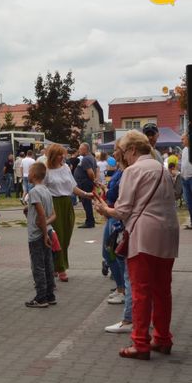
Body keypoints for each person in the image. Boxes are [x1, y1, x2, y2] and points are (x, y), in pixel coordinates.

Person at [94, 130, 179, 360]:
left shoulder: (133, 170)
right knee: (162, 291)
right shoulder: (161, 167)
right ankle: (162, 338)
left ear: (132, 150)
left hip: (143, 236)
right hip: (168, 234)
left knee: (141, 291)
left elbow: (122, 211)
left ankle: (140, 343)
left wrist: (104, 209)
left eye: (124, 152)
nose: (124, 158)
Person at [44, 144, 93, 282]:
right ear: (53, 155)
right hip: (53, 204)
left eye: (63, 154)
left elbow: (72, 186)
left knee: (66, 236)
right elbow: (40, 188)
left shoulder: (65, 168)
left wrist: (85, 194)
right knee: (57, 236)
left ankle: (55, 265)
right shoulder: (46, 170)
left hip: (67, 203)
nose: (63, 157)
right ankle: (61, 269)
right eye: (60, 154)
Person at [24, 162, 57, 308]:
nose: (28, 174)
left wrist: (43, 231)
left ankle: (41, 297)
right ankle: (50, 295)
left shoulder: (34, 192)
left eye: (30, 171)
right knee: (48, 264)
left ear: (34, 175)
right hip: (47, 230)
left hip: (38, 235)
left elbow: (41, 214)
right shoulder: (46, 191)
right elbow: (52, 215)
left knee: (38, 266)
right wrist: (46, 226)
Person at [99, 139, 127, 305]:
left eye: (116, 150)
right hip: (110, 213)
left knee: (113, 253)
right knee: (108, 253)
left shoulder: (126, 171)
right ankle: (120, 288)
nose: (113, 153)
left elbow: (118, 194)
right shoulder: (119, 169)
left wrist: (108, 193)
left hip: (115, 215)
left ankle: (122, 289)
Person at [74, 143, 97, 228]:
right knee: (86, 203)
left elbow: (90, 172)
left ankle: (90, 221)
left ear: (85, 149)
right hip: (86, 183)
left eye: (80, 149)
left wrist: (93, 180)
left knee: (86, 203)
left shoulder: (86, 159)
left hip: (85, 183)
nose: (79, 151)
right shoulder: (91, 158)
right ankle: (89, 220)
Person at [180, 132, 192, 229]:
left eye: (183, 139)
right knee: (188, 202)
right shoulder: (184, 150)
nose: (181, 141)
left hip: (191, 178)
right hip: (184, 179)